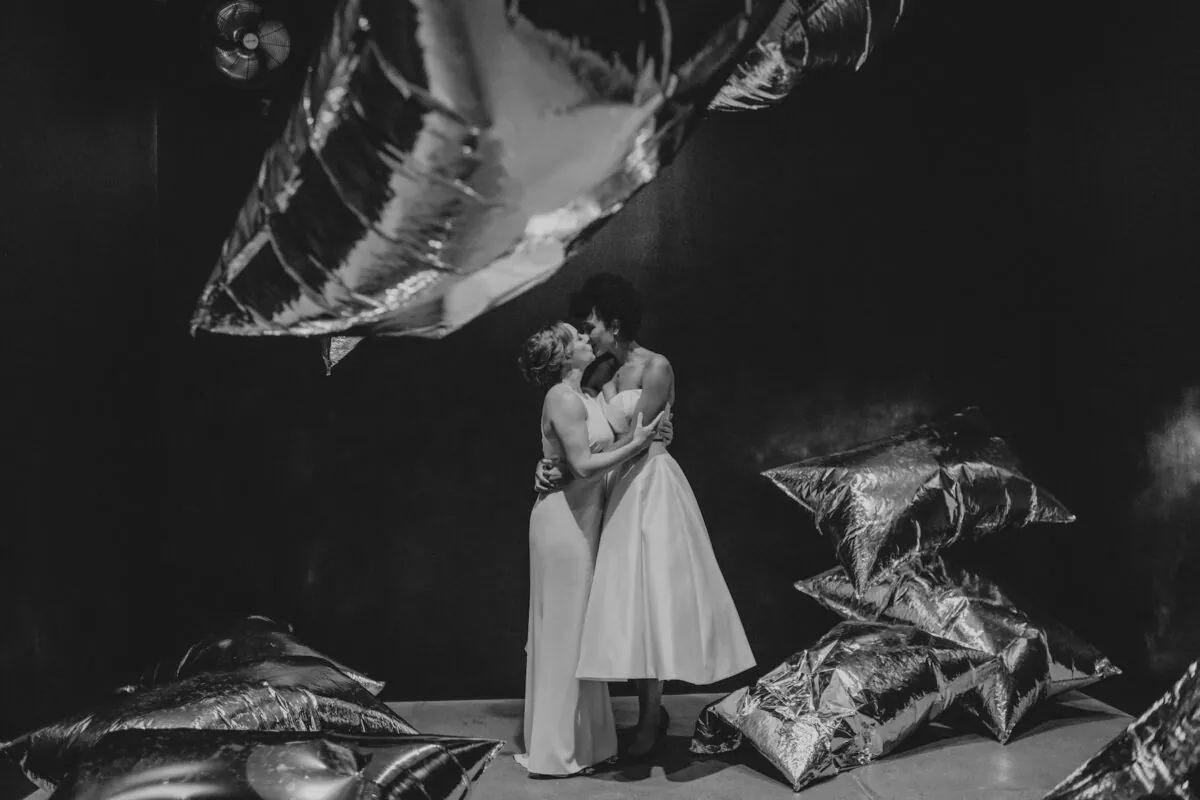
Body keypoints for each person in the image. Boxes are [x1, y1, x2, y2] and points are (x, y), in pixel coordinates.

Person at [537, 275, 755, 762]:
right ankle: (646, 714)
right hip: (613, 489)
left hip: (650, 487)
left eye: (591, 324)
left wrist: (577, 462)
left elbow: (636, 438)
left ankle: (651, 717)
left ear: (614, 324)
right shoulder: (600, 373)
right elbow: (583, 431)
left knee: (653, 599)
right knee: (626, 603)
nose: (587, 333)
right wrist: (554, 460)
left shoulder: (656, 367)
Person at [514, 321, 665, 779]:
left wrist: (647, 437)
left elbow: (584, 451)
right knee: (566, 635)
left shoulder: (586, 395)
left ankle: (588, 744)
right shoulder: (561, 397)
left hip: (584, 519)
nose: (585, 338)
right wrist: (637, 444)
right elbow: (581, 465)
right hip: (562, 526)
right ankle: (561, 750)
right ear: (564, 355)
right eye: (576, 337)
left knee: (580, 633)